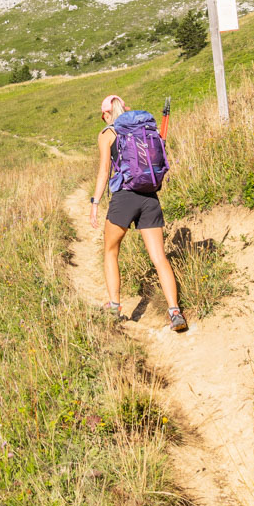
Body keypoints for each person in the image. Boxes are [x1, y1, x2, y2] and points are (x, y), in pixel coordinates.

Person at [90, 93, 188, 332]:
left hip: (124, 197)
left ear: (105, 115)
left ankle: (114, 307)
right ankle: (175, 312)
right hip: (149, 196)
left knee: (111, 251)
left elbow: (104, 171)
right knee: (159, 258)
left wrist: (95, 202)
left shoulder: (107, 134)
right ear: (126, 108)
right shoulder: (143, 130)